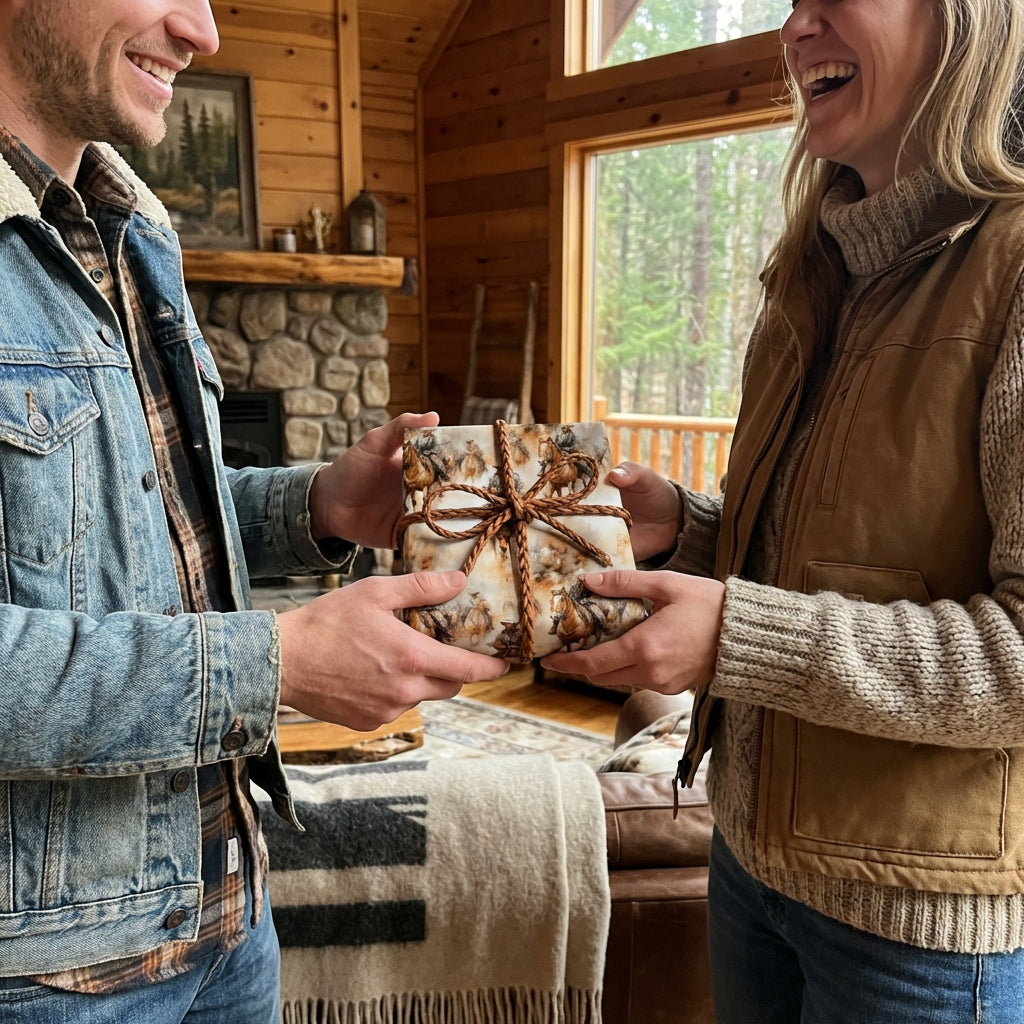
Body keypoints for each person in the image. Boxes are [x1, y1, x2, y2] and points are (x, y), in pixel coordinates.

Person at [0, 1, 508, 1021]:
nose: (204, 29)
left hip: (229, 913)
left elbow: (120, 522)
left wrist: (318, 501)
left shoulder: (129, 219)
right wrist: (275, 664)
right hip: (49, 974)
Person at [543, 0, 1024, 1020]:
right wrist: (692, 527)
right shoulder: (812, 268)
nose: (796, 27)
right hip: (748, 865)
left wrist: (735, 636)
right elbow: (836, 551)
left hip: (919, 935)